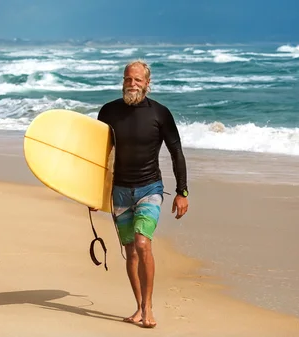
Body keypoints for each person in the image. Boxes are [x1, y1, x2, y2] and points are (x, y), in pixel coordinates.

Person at [93, 59, 189, 329]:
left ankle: (148, 308)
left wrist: (182, 191)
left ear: (148, 83)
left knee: (143, 243)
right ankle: (138, 307)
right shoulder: (109, 112)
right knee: (131, 251)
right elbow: (98, 155)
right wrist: (93, 194)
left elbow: (176, 153)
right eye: (127, 79)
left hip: (150, 188)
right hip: (120, 191)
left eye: (137, 80)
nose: (132, 84)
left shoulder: (160, 113)